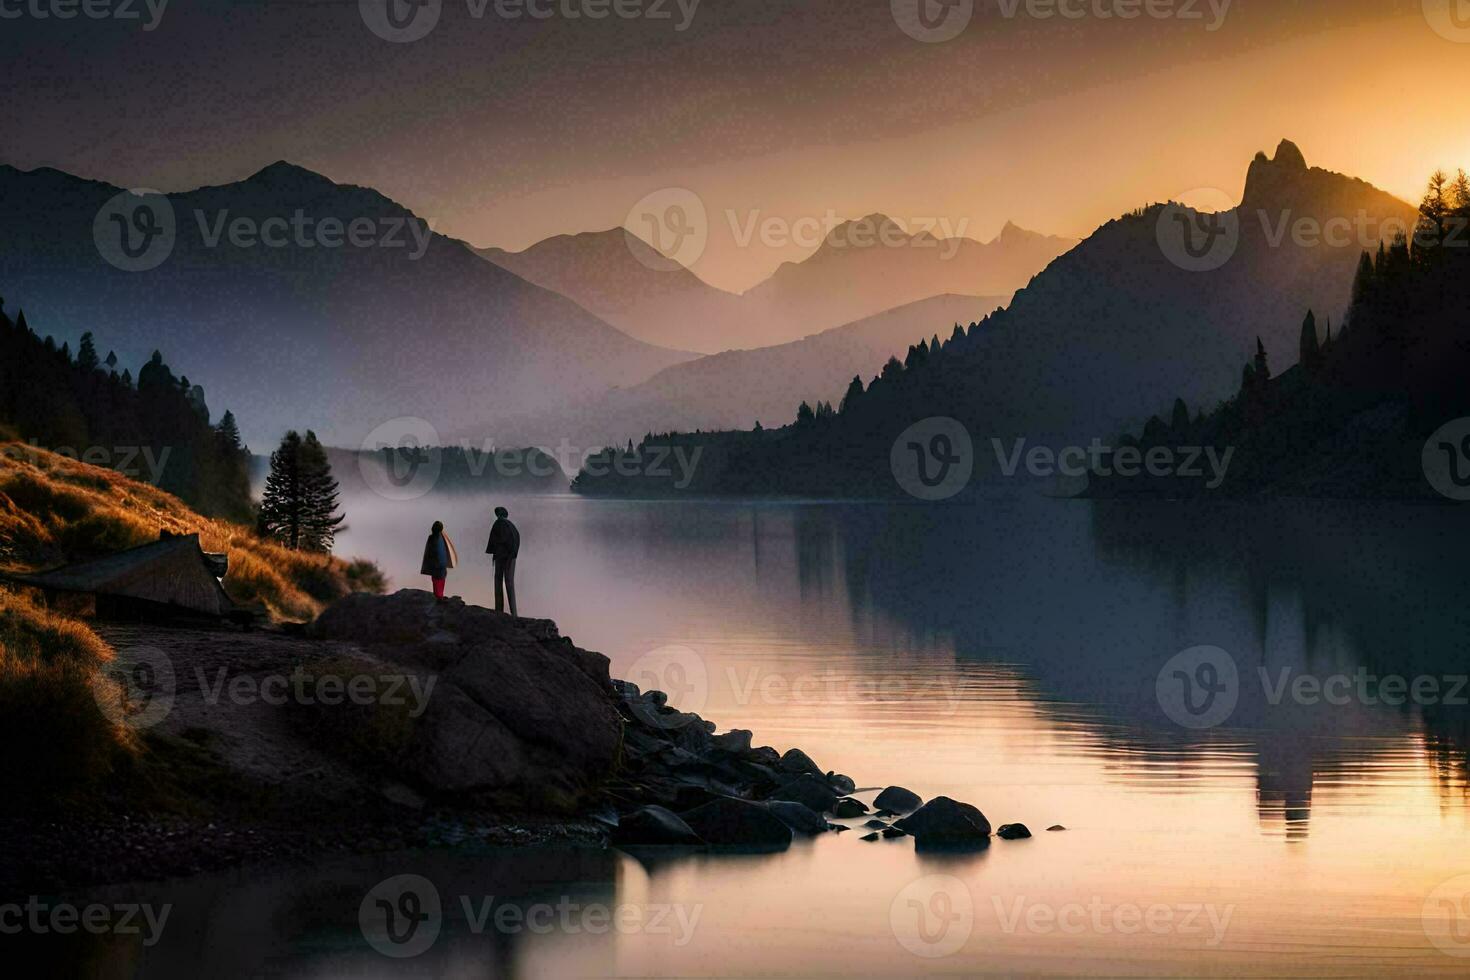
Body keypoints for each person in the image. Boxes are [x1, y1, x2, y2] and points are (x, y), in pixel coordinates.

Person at [485, 506, 520, 616]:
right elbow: (516, 540)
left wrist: (495, 553)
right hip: (512, 557)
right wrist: (512, 555)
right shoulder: (512, 526)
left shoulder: (498, 524)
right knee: (510, 583)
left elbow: (494, 541)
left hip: (502, 557)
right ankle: (514, 613)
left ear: (499, 514)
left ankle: (499, 609)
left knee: (498, 581)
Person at [420, 520, 457, 602]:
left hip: (436, 563)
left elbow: (430, 552)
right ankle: (439, 596)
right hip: (439, 563)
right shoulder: (439, 538)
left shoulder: (434, 538)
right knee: (439, 579)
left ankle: (438, 595)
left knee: (437, 579)